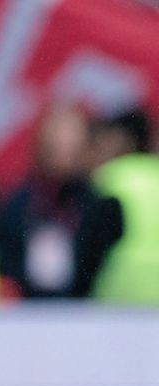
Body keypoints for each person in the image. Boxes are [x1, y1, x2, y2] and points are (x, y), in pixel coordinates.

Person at [0, 105, 93, 299]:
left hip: (86, 314)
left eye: (71, 145)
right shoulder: (16, 203)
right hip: (28, 314)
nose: (63, 152)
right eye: (56, 144)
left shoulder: (97, 205)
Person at [74, 108, 159, 305]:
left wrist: (77, 295)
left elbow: (91, 250)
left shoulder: (114, 180)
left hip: (122, 303)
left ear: (123, 140)